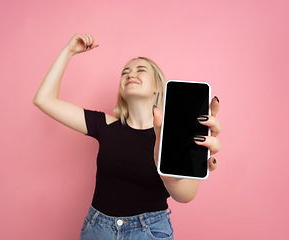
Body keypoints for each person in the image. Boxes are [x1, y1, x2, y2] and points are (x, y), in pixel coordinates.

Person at [33, 34, 222, 240]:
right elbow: (44, 100)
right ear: (122, 90)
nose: (131, 74)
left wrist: (170, 177)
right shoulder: (104, 124)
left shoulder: (174, 135)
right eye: (125, 72)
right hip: (98, 230)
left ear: (157, 86)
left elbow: (186, 196)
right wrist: (68, 51)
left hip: (149, 232)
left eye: (141, 70)